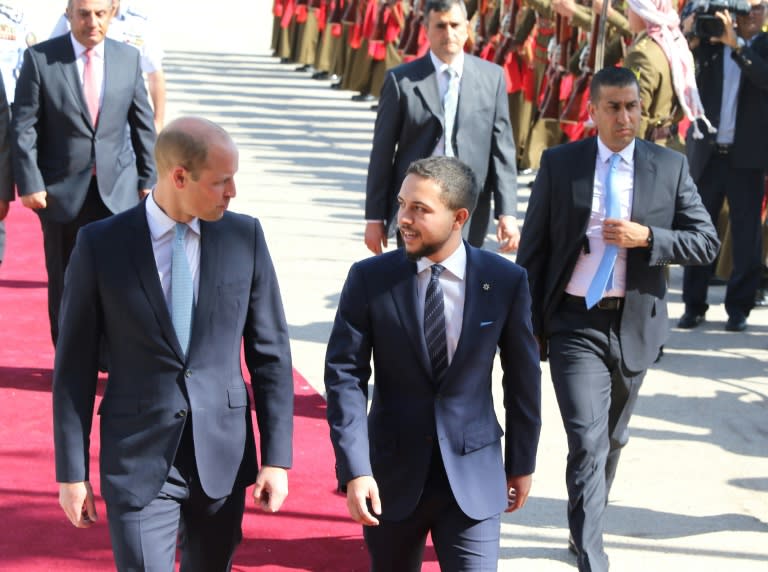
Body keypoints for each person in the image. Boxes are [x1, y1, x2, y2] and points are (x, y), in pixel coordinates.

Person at [53, 117, 295, 571]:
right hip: (138, 455)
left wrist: (277, 458)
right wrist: (71, 471)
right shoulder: (100, 244)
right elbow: (74, 367)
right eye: (222, 182)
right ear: (179, 176)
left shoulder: (246, 238)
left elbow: (271, 355)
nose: (233, 192)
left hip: (222, 455)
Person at [516, 67, 719, 571]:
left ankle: (583, 521)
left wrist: (648, 238)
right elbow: (534, 248)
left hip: (635, 325)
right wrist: (520, 323)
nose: (626, 117)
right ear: (593, 111)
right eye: (614, 107)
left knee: (612, 438)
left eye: (633, 106)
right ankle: (590, 549)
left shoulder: (668, 167)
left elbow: (705, 241)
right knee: (585, 438)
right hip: (573, 321)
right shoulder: (561, 164)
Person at [325, 156, 541, 570]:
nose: (404, 219)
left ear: (459, 217)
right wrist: (355, 469)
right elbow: (344, 378)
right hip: (390, 478)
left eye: (420, 209)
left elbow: (523, 379)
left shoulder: (505, 281)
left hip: (473, 475)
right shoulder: (369, 279)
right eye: (402, 204)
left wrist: (521, 462)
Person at [12, 0, 156, 345]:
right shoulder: (41, 59)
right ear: (69, 15)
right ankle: (69, 354)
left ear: (112, 14)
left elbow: (143, 125)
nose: (92, 22)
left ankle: (111, 354)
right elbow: (24, 128)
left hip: (118, 192)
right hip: (60, 193)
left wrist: (149, 180)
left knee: (118, 278)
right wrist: (31, 183)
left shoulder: (128, 58)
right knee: (65, 279)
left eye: (100, 14)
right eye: (83, 14)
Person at [364, 0, 520, 254]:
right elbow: (382, 153)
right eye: (440, 26)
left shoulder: (492, 78)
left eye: (455, 25)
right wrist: (374, 218)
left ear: (467, 27)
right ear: (425, 29)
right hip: (417, 202)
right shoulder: (401, 80)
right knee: (418, 278)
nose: (448, 33)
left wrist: (508, 213)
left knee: (462, 281)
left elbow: (502, 151)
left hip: (468, 201)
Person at [678, 0, 768, 332]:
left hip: (747, 157)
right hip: (709, 153)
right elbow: (684, 68)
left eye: (760, 8)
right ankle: (693, 304)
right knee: (700, 230)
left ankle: (739, 308)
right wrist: (689, 36)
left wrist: (738, 45)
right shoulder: (710, 45)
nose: (753, 15)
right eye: (747, 8)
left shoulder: (761, 46)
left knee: (746, 236)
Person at [50, 0, 167, 132]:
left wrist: (158, 121)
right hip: (78, 117)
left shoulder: (138, 22)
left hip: (124, 122)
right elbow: (50, 64)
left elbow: (155, 74)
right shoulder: (77, 13)